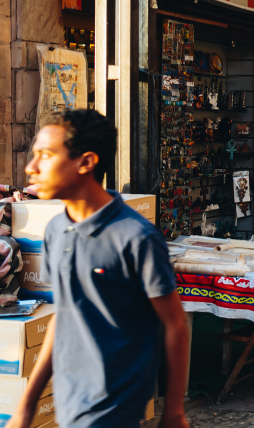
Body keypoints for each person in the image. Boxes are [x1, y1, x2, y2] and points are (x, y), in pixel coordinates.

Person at [15, 110, 190, 428]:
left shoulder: (136, 237)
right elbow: (65, 314)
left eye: (46, 156)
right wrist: (26, 407)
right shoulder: (57, 229)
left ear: (85, 162)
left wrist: (174, 411)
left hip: (114, 403)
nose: (31, 168)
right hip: (69, 395)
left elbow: (175, 324)